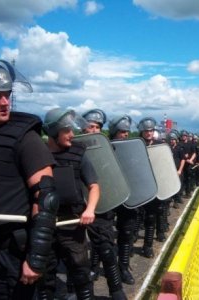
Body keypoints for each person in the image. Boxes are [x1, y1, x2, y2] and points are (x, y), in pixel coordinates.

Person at [0, 59, 59, 299]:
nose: (5, 102)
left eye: (6, 94)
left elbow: (47, 197)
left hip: (11, 256)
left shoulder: (25, 137)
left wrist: (36, 258)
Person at [36, 108, 100, 300]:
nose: (72, 135)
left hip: (72, 224)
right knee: (45, 277)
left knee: (81, 274)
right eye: (67, 130)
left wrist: (90, 209)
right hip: (44, 225)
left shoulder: (78, 153)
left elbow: (94, 186)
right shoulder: (37, 153)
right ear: (54, 132)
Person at [82, 109, 128, 300]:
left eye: (98, 127)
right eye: (91, 126)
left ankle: (116, 290)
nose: (94, 130)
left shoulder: (108, 148)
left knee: (107, 249)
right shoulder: (71, 147)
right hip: (77, 205)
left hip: (102, 204)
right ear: (83, 128)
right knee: (76, 254)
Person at [109, 115, 137, 285]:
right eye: (122, 132)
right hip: (110, 195)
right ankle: (99, 266)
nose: (125, 135)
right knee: (104, 236)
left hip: (127, 195)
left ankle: (124, 268)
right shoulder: (105, 147)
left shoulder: (132, 148)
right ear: (114, 132)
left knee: (126, 233)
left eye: (127, 132)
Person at [138, 117, 165, 258]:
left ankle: (147, 246)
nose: (148, 133)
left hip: (155, 185)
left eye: (151, 130)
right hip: (140, 185)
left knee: (151, 218)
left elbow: (164, 164)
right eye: (146, 131)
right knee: (135, 217)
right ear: (141, 132)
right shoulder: (136, 145)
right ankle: (129, 245)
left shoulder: (160, 145)